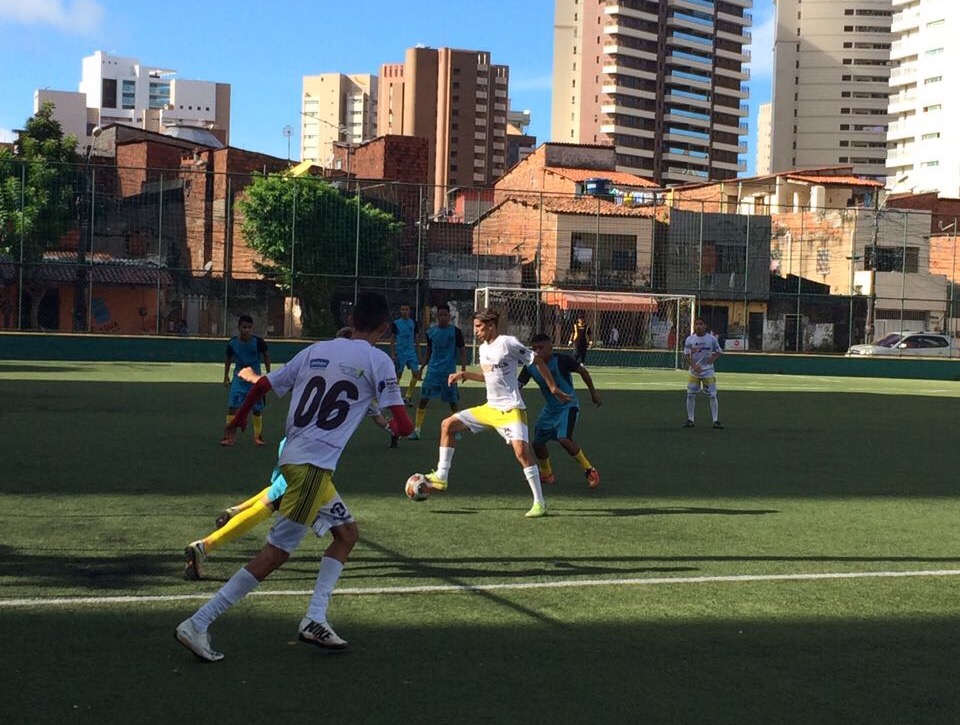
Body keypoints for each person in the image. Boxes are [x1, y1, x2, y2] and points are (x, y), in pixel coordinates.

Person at [176, 292, 413, 662]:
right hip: (312, 468)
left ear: (351, 321)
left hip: (294, 458)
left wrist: (236, 424)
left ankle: (315, 619)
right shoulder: (377, 358)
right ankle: (199, 622)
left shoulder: (314, 350)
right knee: (276, 554)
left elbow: (263, 385)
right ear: (384, 328)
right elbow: (403, 424)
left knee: (346, 535)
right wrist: (398, 425)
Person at [422, 308, 572, 519]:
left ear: (491, 325)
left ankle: (540, 503)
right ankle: (441, 476)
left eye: (478, 326)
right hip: (489, 408)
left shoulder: (508, 343)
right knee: (448, 425)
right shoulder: (483, 349)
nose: (476, 331)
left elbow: (536, 360)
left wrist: (553, 387)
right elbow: (488, 376)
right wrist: (465, 374)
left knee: (522, 453)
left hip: (511, 409)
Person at [184, 438, 359, 581]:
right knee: (272, 505)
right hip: (309, 461)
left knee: (273, 494)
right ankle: (205, 546)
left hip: (297, 449)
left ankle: (230, 517)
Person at [519, 334, 602, 488]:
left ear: (551, 347)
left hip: (568, 406)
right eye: (535, 348)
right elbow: (518, 385)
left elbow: (583, 372)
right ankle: (547, 474)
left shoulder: (562, 360)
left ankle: (590, 470)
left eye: (541, 348)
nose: (538, 351)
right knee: (537, 443)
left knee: (564, 439)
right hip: (550, 409)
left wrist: (593, 393)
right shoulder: (530, 366)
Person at [409, 303, 466, 441]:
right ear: (437, 316)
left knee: (453, 402)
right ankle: (417, 430)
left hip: (449, 373)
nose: (443, 317)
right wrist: (422, 368)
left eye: (445, 315)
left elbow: (462, 351)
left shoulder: (456, 332)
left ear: (449, 316)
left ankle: (456, 430)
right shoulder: (431, 332)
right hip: (433, 372)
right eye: (440, 315)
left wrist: (463, 370)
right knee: (423, 399)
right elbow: (429, 352)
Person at [222, 315, 270, 446]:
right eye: (244, 327)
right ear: (239, 327)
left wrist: (268, 373)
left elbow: (266, 355)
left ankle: (257, 436)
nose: (246, 330)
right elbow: (228, 358)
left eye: (249, 327)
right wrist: (226, 376)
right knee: (232, 406)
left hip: (255, 379)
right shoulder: (232, 343)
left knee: (257, 408)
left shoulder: (258, 342)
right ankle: (229, 436)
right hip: (239, 379)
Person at [683, 317, 723, 429]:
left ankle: (715, 420)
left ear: (705, 326)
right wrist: (694, 365)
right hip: (694, 373)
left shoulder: (711, 339)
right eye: (696, 324)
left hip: (708, 372)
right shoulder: (690, 339)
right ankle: (690, 419)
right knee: (690, 395)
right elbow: (686, 355)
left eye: (701, 324)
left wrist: (713, 359)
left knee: (712, 396)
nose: (698, 326)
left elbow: (719, 351)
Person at [390, 302, 422, 406]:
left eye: (406, 309)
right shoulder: (396, 323)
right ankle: (395, 398)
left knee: (416, 373)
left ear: (410, 311)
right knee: (398, 375)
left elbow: (417, 337)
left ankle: (408, 397)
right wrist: (393, 353)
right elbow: (392, 339)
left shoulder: (413, 323)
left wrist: (418, 352)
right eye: (403, 309)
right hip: (400, 352)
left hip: (411, 352)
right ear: (400, 311)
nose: (404, 311)